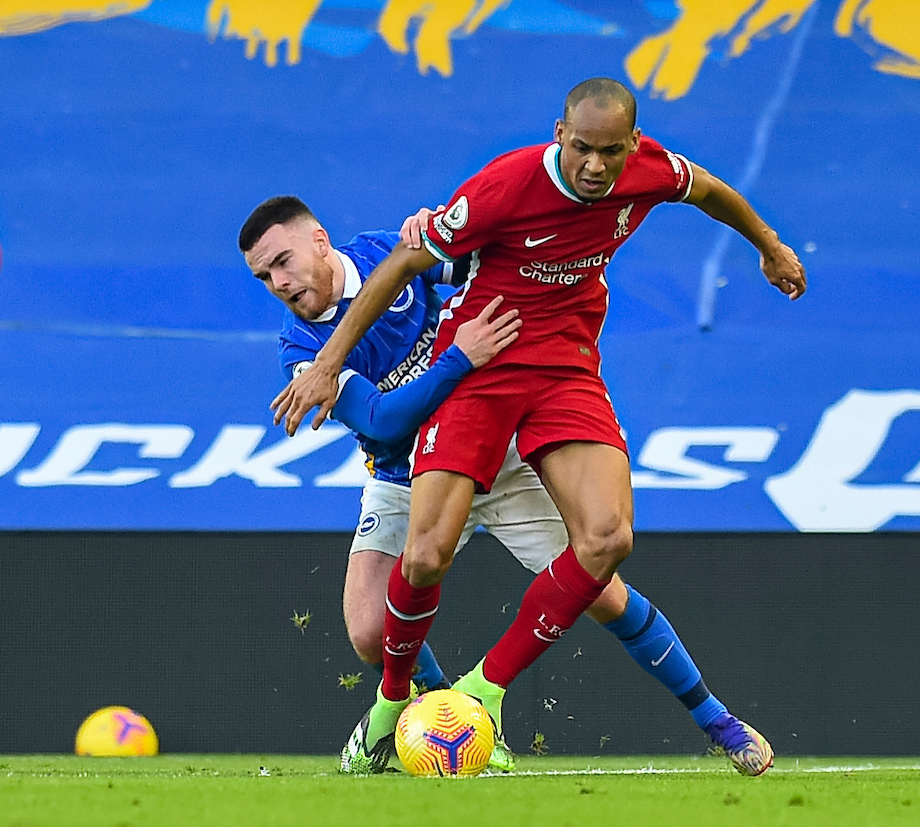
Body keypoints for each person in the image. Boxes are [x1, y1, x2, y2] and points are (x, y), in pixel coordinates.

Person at [271, 77, 804, 778]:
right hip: (467, 393)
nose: (593, 166)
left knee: (608, 548)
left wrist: (767, 244)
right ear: (560, 135)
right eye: (581, 148)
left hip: (562, 371)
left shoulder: (645, 171)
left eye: (609, 151)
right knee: (418, 566)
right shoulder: (501, 189)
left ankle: (494, 692)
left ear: (631, 147)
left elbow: (706, 188)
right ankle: (392, 705)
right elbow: (381, 411)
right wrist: (333, 361)